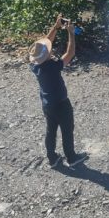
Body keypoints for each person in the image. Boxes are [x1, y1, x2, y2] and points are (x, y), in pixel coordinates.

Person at [28, 15, 87, 168]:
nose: (51, 48)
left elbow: (42, 45)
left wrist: (55, 27)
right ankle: (71, 157)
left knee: (51, 130)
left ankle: (52, 158)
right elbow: (70, 53)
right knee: (67, 130)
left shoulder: (35, 65)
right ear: (46, 55)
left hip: (47, 104)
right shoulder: (52, 67)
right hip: (61, 103)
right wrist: (71, 33)